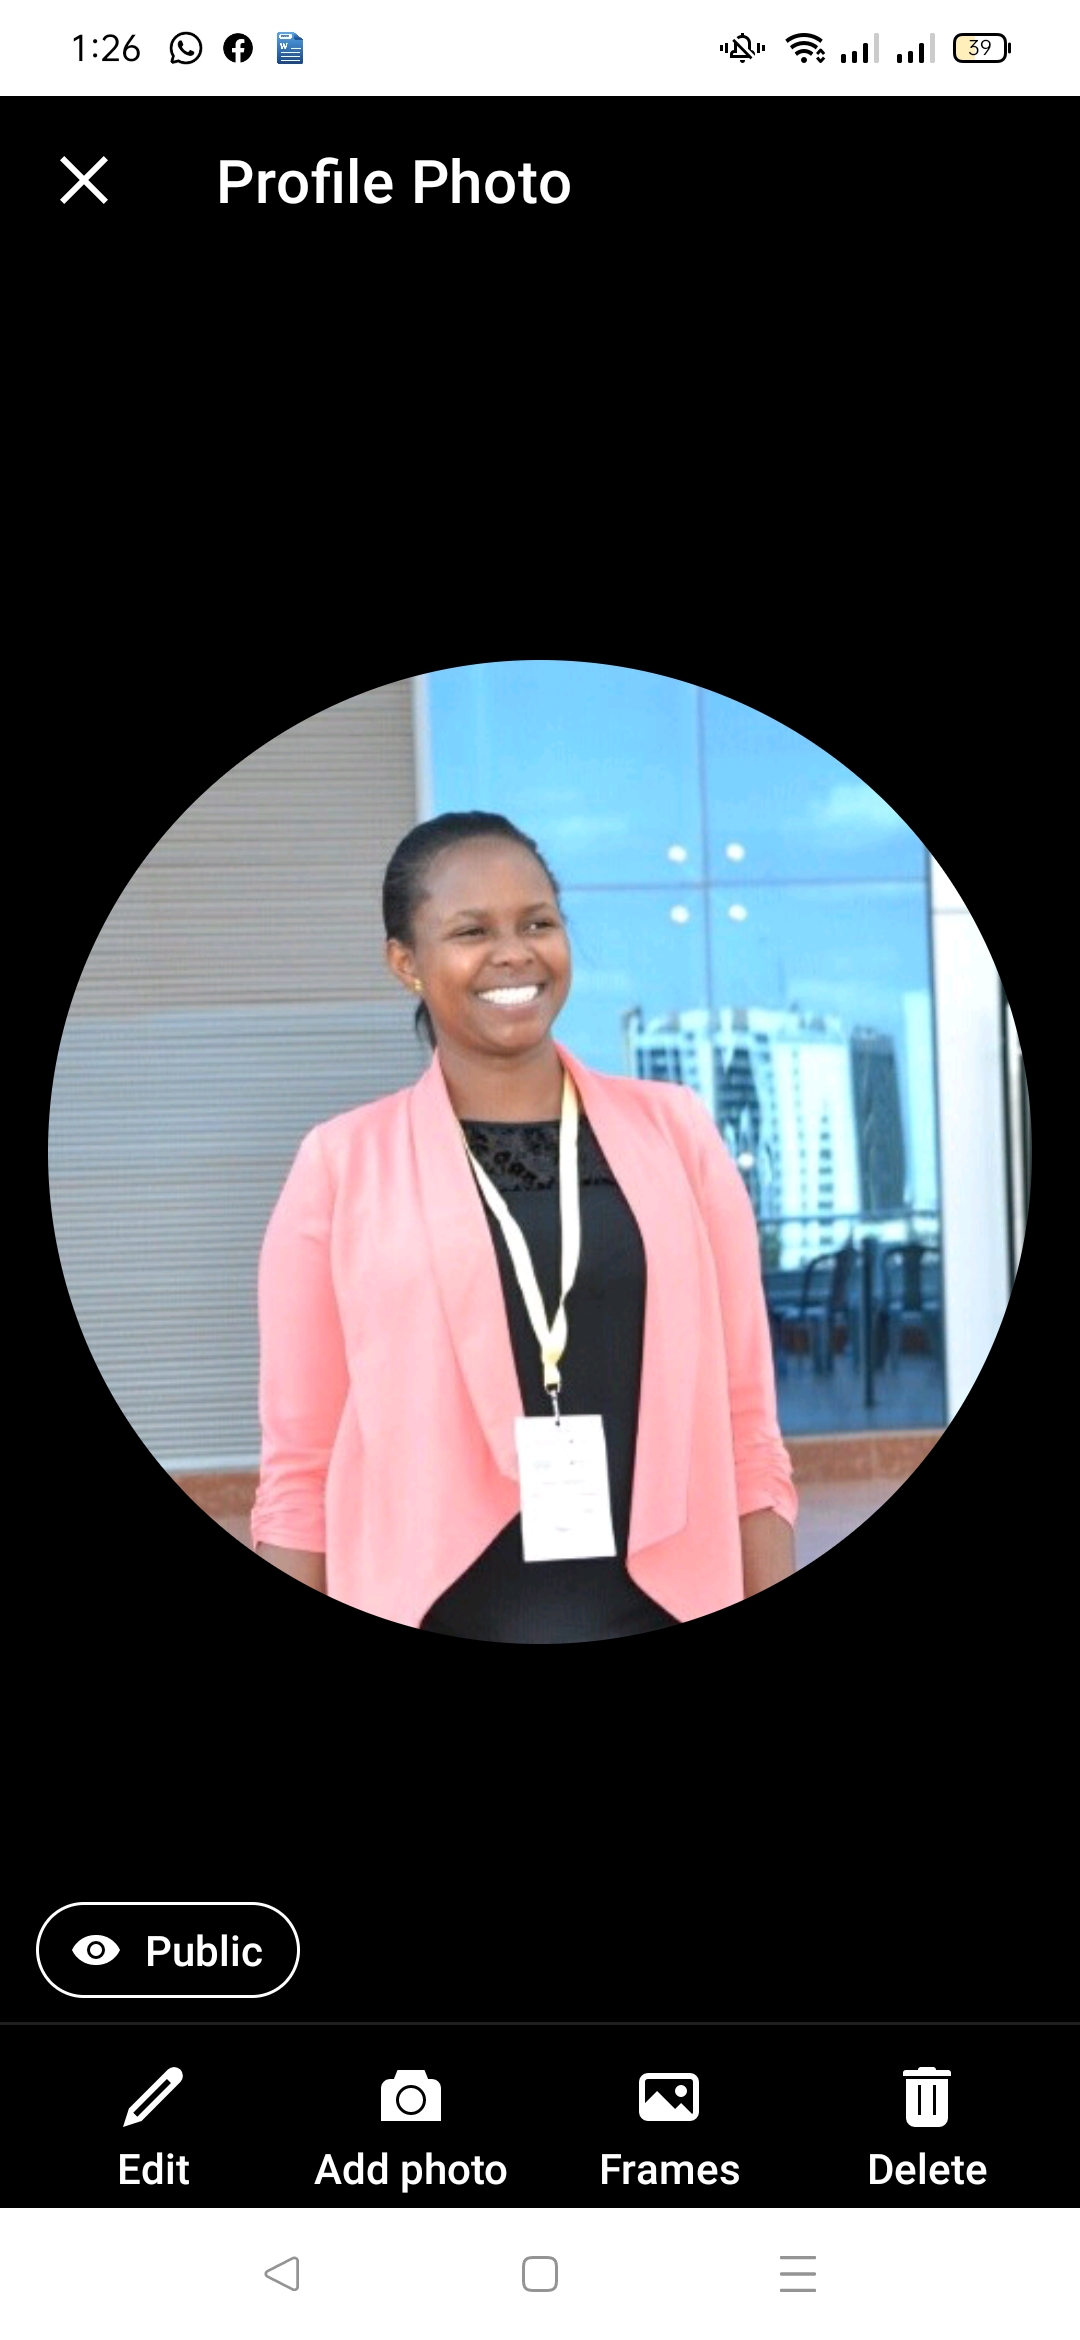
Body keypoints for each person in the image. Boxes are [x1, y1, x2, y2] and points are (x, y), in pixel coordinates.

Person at [252, 811, 797, 1638]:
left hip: (664, 1604)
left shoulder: (677, 1134)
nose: (513, 953)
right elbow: (300, 1472)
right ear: (406, 962)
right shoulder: (339, 1165)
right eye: (471, 931)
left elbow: (748, 1426)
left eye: (537, 923)